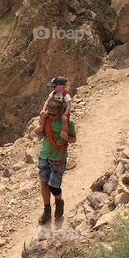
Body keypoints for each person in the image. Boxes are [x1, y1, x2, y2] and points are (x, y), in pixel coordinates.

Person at [37, 95, 77, 225]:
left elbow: (73, 139)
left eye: (54, 114)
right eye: (49, 113)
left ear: (60, 112)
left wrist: (65, 137)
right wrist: (41, 124)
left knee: (53, 186)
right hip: (44, 155)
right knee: (44, 183)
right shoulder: (47, 119)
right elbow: (38, 134)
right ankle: (47, 209)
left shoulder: (68, 123)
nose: (51, 116)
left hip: (58, 157)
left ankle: (59, 201)